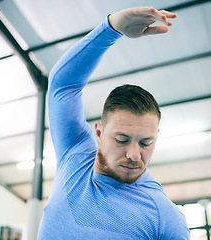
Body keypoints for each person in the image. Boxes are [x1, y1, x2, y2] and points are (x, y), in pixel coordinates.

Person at [37, 6, 190, 239]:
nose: (134, 154)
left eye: (146, 142)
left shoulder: (164, 217)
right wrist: (111, 28)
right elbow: (63, 85)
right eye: (122, 139)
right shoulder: (75, 154)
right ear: (99, 132)